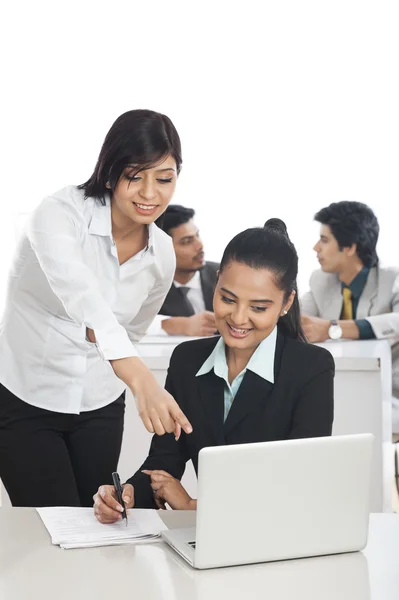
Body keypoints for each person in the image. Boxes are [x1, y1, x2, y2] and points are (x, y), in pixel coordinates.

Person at [0, 109, 192, 508]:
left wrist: (127, 376)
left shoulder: (161, 255)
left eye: (164, 178)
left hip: (100, 404)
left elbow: (132, 328)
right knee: (50, 528)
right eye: (134, 176)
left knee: (96, 522)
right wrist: (141, 380)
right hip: (26, 395)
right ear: (109, 173)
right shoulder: (58, 214)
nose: (149, 193)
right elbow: (84, 302)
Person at [93, 218, 334, 521]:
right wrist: (127, 494)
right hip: (206, 543)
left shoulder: (311, 368)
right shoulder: (187, 360)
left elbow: (301, 483)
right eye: (227, 299)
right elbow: (164, 460)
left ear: (286, 302)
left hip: (277, 535)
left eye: (259, 308)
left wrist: (195, 507)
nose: (238, 318)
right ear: (217, 282)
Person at [300, 201, 399, 434]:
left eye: (324, 240)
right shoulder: (320, 280)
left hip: (391, 393)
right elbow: (301, 320)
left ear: (350, 247)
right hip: (343, 388)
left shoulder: (391, 278)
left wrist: (334, 329)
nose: (316, 248)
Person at [147, 204, 219, 337]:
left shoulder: (222, 275)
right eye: (187, 241)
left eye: (197, 235)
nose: (199, 245)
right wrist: (177, 325)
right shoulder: (146, 286)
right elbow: (122, 324)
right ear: (161, 249)